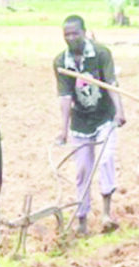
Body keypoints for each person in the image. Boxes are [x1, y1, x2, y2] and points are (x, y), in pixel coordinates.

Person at [53, 14, 126, 235]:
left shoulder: (101, 53)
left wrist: (120, 112)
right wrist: (63, 130)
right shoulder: (61, 62)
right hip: (80, 121)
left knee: (105, 160)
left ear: (84, 33)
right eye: (67, 34)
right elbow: (65, 98)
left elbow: (112, 84)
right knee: (83, 169)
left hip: (105, 117)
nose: (71, 38)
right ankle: (82, 220)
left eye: (75, 33)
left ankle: (106, 214)